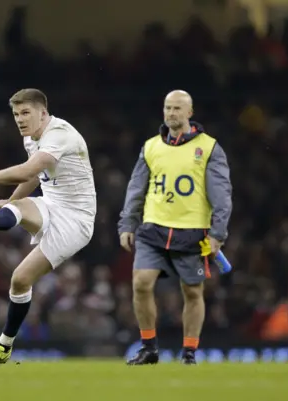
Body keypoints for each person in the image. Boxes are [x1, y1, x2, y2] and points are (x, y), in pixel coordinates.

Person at [0, 88, 96, 367]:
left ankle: (3, 347)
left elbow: (27, 171)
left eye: (26, 113)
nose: (20, 119)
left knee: (21, 277)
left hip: (76, 221)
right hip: (51, 204)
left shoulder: (60, 135)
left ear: (43, 113)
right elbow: (34, 178)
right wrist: (10, 200)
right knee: (19, 216)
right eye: (16, 114)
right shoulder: (31, 138)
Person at [118, 90, 232, 365]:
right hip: (153, 229)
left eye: (177, 108)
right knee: (141, 284)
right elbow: (136, 189)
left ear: (190, 113)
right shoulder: (150, 147)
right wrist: (128, 223)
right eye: (168, 108)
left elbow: (221, 193)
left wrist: (218, 232)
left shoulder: (209, 147)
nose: (171, 113)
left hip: (192, 232)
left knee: (192, 292)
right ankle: (149, 349)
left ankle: (189, 352)